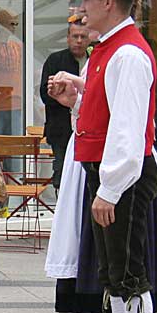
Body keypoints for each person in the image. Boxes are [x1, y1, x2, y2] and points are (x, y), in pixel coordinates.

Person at [48, 0, 157, 313]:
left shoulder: (127, 53)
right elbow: (102, 119)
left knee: (128, 273)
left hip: (124, 177)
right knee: (114, 272)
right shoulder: (108, 50)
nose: (81, 8)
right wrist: (77, 99)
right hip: (110, 173)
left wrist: (110, 188)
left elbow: (130, 132)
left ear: (109, 2)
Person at [39, 19, 90, 190]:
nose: (79, 41)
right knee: (62, 174)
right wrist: (65, 98)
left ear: (89, 38)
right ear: (68, 38)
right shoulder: (55, 60)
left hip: (89, 129)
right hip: (61, 130)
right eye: (75, 36)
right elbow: (44, 94)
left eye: (83, 36)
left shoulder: (95, 61)